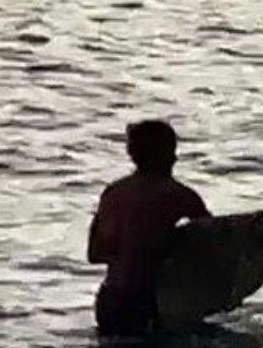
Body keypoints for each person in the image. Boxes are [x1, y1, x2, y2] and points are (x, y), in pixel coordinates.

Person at [87, 119, 209, 336]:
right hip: (148, 304)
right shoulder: (179, 195)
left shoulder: (113, 193)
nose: (175, 157)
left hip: (110, 301)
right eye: (172, 150)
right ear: (167, 154)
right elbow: (213, 246)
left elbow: (95, 253)